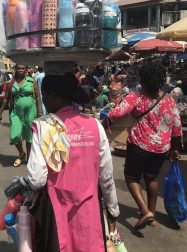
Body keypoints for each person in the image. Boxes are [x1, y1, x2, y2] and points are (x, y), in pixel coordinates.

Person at [24, 73, 120, 251]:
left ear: (52, 96)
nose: (43, 101)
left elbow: (37, 179)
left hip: (56, 214)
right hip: (89, 211)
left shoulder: (44, 126)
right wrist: (113, 209)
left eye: (43, 95)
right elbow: (106, 176)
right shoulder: (95, 125)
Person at [108, 63, 182, 229]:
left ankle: (144, 210)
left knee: (131, 177)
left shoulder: (137, 97)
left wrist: (107, 119)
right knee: (152, 177)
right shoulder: (169, 100)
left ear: (142, 80)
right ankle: (152, 213)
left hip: (139, 146)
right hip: (161, 148)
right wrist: (175, 148)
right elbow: (177, 126)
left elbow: (117, 113)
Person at [0, 64, 42, 167]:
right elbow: (6, 99)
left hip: (30, 112)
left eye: (23, 68)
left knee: (29, 136)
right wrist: (0, 112)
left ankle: (30, 158)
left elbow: (38, 97)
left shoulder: (31, 81)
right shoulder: (10, 83)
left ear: (26, 69)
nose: (20, 70)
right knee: (15, 135)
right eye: (18, 68)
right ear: (15, 70)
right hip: (16, 112)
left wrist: (39, 111)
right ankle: (21, 153)